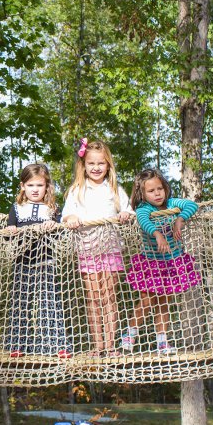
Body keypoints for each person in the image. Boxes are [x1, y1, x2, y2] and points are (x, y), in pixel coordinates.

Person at [62, 139, 133, 357]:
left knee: (109, 297)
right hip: (87, 249)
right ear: (83, 165)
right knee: (93, 299)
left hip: (110, 248)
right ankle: (98, 346)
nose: (96, 167)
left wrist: (125, 214)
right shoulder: (77, 190)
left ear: (108, 165)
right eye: (91, 163)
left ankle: (111, 346)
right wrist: (72, 217)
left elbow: (128, 211)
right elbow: (67, 214)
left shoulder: (114, 189)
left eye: (101, 163)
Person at [121, 168, 201, 354]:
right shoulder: (144, 208)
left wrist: (179, 219)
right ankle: (130, 334)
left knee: (164, 303)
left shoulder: (172, 204)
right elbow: (143, 221)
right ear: (142, 194)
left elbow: (192, 205)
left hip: (171, 263)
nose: (157, 193)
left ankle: (162, 342)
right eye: (151, 191)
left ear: (165, 188)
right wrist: (158, 235)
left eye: (160, 189)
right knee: (147, 301)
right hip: (151, 263)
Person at [5, 163, 70, 359]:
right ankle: (17, 345)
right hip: (22, 262)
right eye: (31, 185)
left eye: (39, 186)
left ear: (47, 187)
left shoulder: (52, 210)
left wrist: (53, 225)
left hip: (45, 262)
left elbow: (60, 234)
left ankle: (58, 345)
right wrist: (10, 231)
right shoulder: (16, 209)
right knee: (21, 304)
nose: (35, 190)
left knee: (49, 303)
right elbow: (9, 233)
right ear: (23, 186)